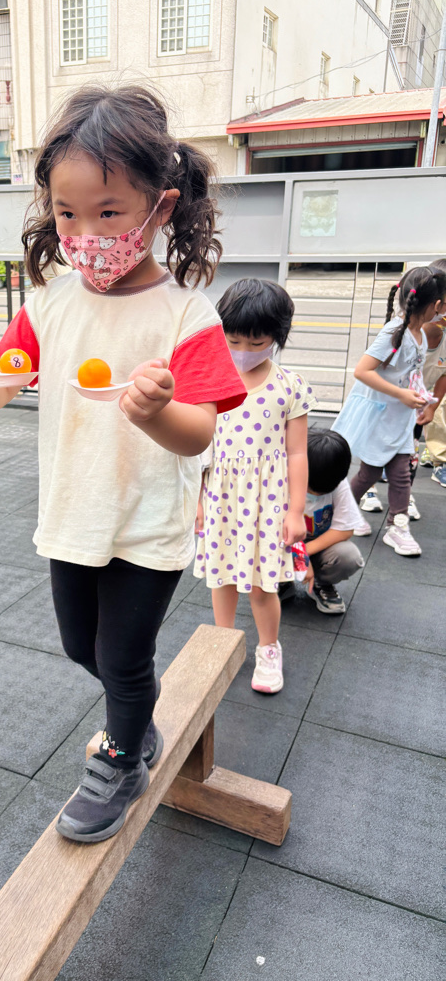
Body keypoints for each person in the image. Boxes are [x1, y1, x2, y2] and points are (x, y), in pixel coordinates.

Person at [0, 84, 246, 844]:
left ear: (160, 209)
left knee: (122, 657)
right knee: (83, 647)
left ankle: (120, 757)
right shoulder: (48, 303)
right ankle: (134, 721)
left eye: (108, 213)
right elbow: (2, 386)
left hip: (147, 522)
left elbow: (198, 433)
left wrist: (156, 412)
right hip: (73, 511)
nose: (85, 234)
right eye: (67, 214)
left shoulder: (186, 314)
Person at [194, 279, 315, 695]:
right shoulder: (212, 379)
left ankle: (268, 648)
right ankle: (222, 643)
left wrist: (295, 511)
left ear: (276, 337)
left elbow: (297, 453)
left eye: (256, 341)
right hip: (221, 496)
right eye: (234, 340)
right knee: (221, 577)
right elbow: (199, 448)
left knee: (264, 586)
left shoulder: (289, 386)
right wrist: (197, 501)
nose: (244, 350)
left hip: (268, 502)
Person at [334, 265, 446, 555]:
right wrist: (402, 395)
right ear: (436, 305)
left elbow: (412, 374)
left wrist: (423, 399)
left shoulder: (419, 334)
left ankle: (397, 526)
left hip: (399, 419)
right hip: (382, 417)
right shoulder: (395, 332)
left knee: (400, 475)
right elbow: (362, 371)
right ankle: (343, 512)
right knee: (369, 473)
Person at [288, 428, 365, 614]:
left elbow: (345, 530)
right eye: (311, 490)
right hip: (283, 542)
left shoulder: (337, 481)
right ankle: (280, 582)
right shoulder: (280, 479)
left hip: (316, 547)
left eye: (324, 493)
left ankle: (321, 583)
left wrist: (303, 554)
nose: (317, 496)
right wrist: (298, 556)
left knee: (349, 556)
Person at [418, 258, 446, 485]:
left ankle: (436, 453)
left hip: (435, 375)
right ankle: (439, 458)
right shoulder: (422, 327)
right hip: (410, 387)